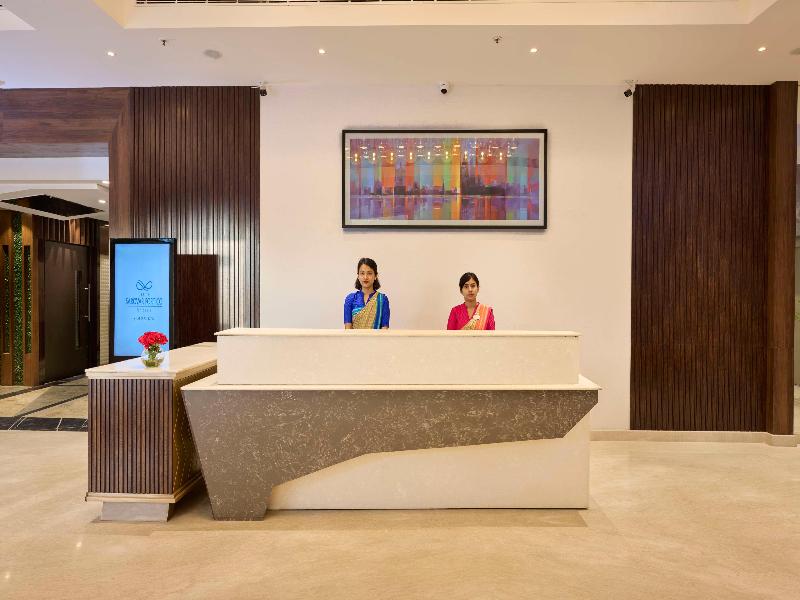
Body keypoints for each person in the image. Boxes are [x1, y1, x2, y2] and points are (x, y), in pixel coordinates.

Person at [344, 258, 390, 329]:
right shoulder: (350, 299)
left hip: (377, 337)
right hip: (354, 336)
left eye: (369, 273)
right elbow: (348, 330)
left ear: (375, 276)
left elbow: (384, 329)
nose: (365, 277)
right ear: (358, 276)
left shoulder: (382, 300)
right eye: (362, 273)